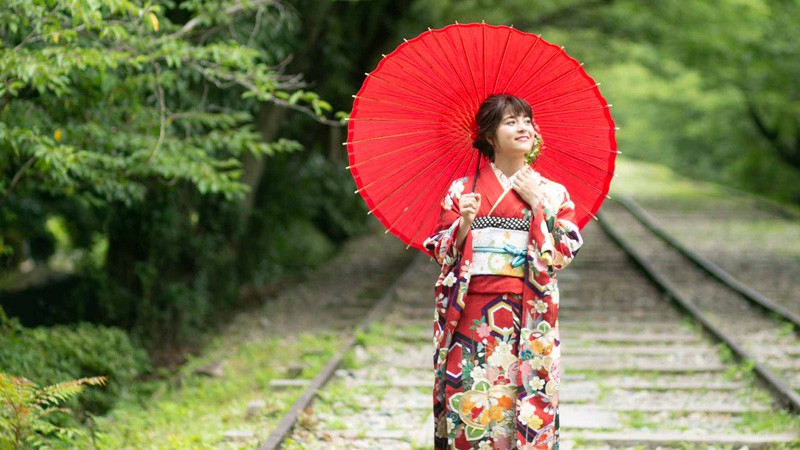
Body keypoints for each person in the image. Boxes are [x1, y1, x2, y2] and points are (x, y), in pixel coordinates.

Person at [424, 94, 583, 450]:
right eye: (510, 122)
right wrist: (463, 224)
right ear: (489, 136)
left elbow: (565, 250)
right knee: (469, 398)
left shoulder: (552, 192)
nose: (522, 127)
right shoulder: (462, 191)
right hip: (471, 315)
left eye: (527, 120)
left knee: (526, 404)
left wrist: (538, 205)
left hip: (528, 314)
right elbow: (439, 249)